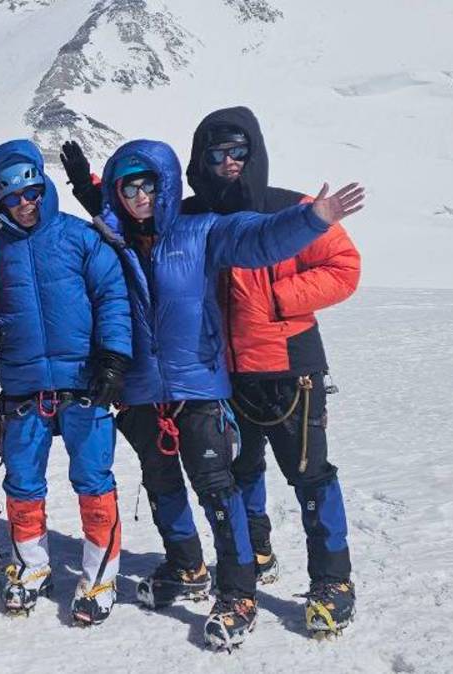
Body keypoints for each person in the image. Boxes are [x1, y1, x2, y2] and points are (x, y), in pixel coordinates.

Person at [91, 139, 364, 649]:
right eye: (128, 188)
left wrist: (312, 219)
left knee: (221, 490)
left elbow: (257, 239)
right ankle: (186, 567)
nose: (140, 196)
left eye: (149, 184)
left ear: (166, 185)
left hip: (200, 385)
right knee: (161, 484)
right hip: (142, 391)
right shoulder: (110, 242)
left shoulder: (200, 230)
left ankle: (240, 592)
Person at [182, 106, 361, 636]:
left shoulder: (293, 208)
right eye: (217, 153)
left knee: (309, 475)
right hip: (222, 374)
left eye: (238, 151)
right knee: (239, 474)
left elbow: (344, 268)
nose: (229, 162)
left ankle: (333, 581)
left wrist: (279, 299)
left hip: (290, 369)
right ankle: (254, 553)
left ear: (254, 151)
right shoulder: (191, 217)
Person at [0, 140, 131, 624]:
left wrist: (114, 359)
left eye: (31, 193)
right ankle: (31, 567)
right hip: (24, 387)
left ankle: (99, 576)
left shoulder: (80, 237)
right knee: (22, 481)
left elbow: (112, 296)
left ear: (43, 188)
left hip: (85, 382)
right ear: (0, 201)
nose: (24, 204)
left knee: (93, 479)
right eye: (12, 198)